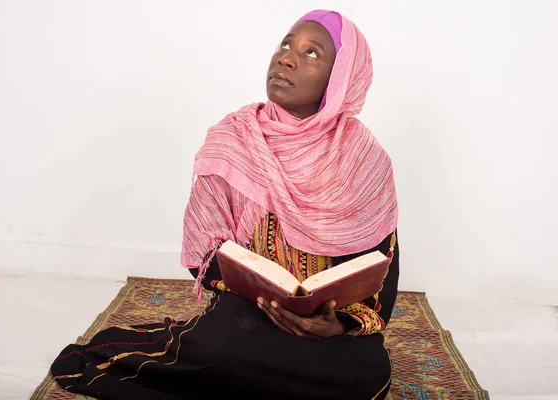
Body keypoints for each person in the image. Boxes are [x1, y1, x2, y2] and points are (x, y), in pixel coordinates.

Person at [51, 9, 399, 400]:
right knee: (216, 347)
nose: (286, 58)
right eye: (286, 44)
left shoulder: (364, 160)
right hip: (248, 312)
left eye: (312, 53)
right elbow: (204, 253)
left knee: (366, 374)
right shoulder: (233, 140)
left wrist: (337, 326)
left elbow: (379, 267)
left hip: (326, 325)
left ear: (341, 80)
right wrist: (262, 293)